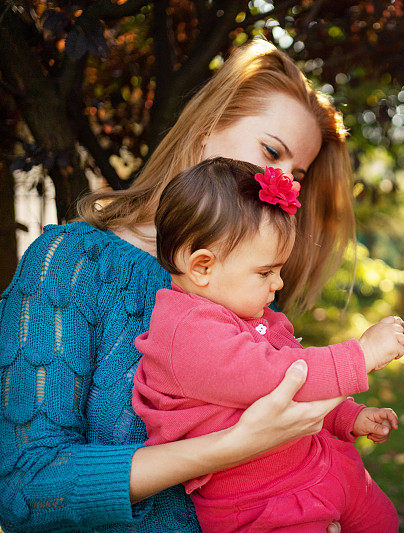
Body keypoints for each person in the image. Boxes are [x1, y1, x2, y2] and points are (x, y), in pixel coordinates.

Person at [0, 39, 359, 532]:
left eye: (296, 175)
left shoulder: (245, 287)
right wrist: (229, 448)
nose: (280, 185)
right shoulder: (72, 263)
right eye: (271, 151)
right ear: (207, 127)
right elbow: (26, 487)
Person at [132, 157, 403, 532]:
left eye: (279, 270)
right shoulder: (187, 332)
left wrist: (346, 416)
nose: (277, 284)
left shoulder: (254, 316)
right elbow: (275, 377)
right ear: (202, 268)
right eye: (265, 272)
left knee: (384, 521)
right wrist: (362, 354)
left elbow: (294, 392)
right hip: (266, 504)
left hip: (321, 466)